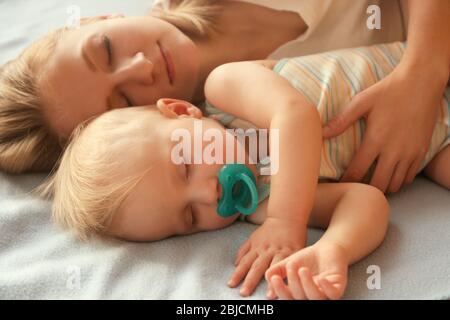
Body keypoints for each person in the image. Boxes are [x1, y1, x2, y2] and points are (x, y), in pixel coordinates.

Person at [41, 41, 448, 299]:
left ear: (183, 111)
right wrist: (333, 249)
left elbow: (296, 116)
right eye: (189, 218)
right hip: (429, 149)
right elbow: (365, 200)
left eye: (184, 166)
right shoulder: (261, 206)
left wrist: (289, 223)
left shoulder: (227, 87)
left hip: (417, 78)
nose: (208, 197)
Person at [1, 0, 449, 193]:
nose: (140, 68)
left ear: (95, 19)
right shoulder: (234, 140)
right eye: (120, 101)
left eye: (105, 49)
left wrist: (423, 75)